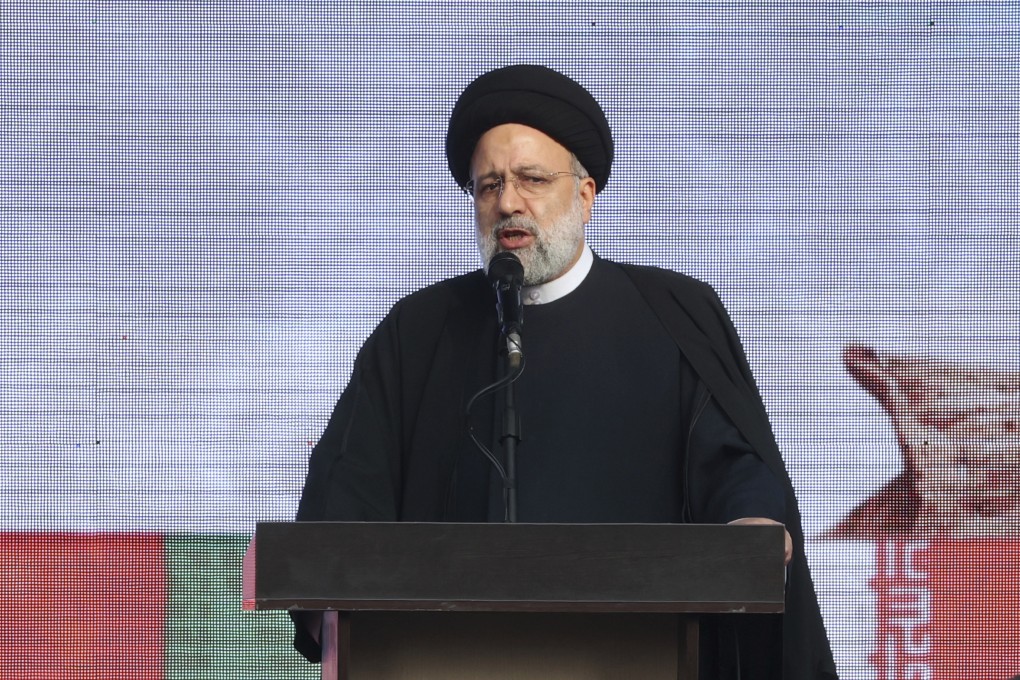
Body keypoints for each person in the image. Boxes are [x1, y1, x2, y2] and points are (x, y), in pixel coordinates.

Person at [293, 64, 837, 680]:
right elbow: (347, 491)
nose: (508, 203)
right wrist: (329, 602)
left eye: (531, 179)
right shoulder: (420, 331)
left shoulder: (672, 313)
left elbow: (736, 462)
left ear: (584, 194)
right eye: (488, 185)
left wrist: (754, 525)